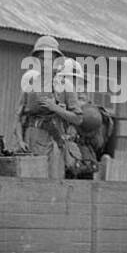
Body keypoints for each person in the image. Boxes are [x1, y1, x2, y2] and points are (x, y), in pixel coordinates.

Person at [13, 34, 82, 177]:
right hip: (30, 140)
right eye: (41, 58)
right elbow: (19, 117)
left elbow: (78, 118)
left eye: (49, 58)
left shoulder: (66, 86)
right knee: (27, 180)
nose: (45, 62)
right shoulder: (29, 85)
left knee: (52, 181)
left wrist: (55, 108)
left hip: (53, 142)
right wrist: (20, 140)